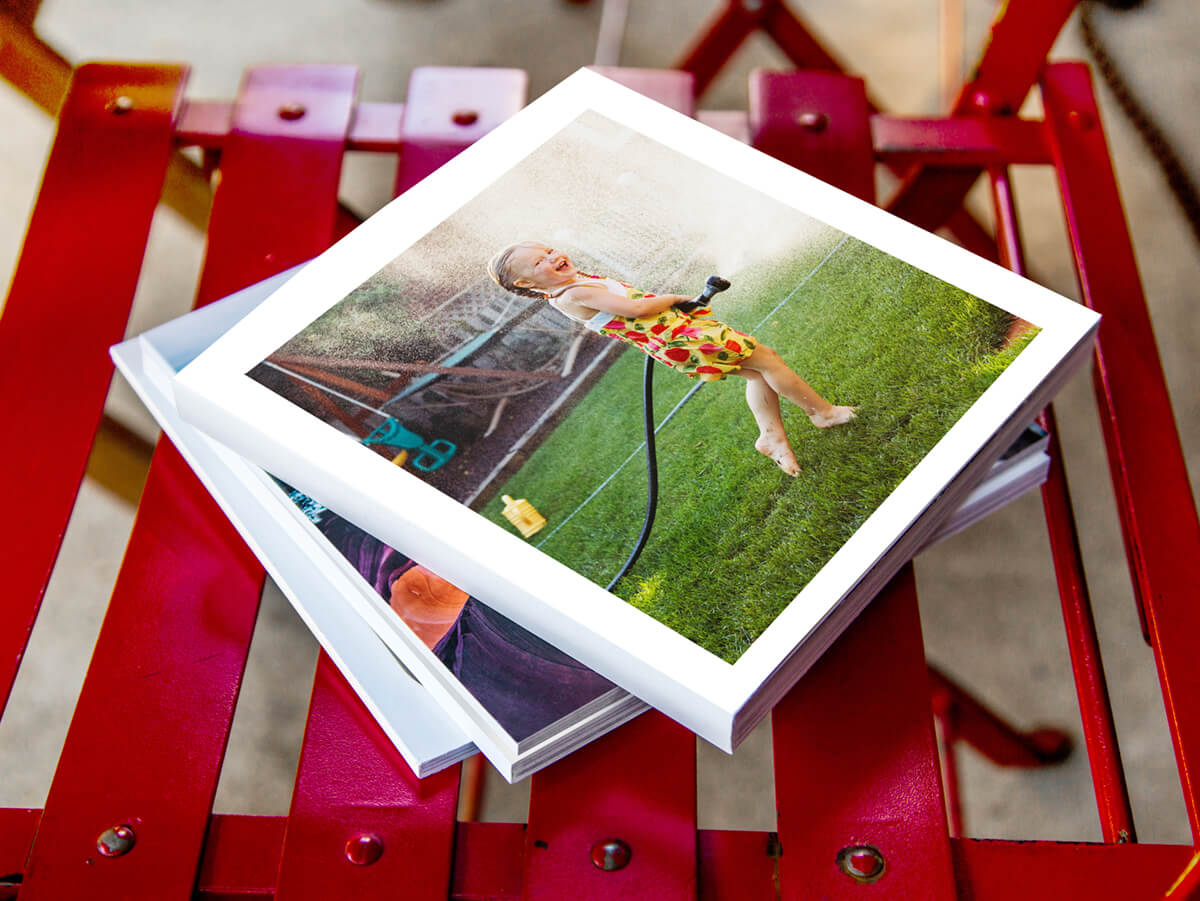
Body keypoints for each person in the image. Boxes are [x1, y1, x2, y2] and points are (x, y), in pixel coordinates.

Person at [487, 242, 856, 476]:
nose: (554, 257)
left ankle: (771, 438)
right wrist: (673, 298)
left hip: (679, 337)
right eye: (540, 262)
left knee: (758, 373)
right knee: (767, 360)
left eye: (549, 250)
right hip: (684, 339)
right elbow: (634, 309)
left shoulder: (573, 283)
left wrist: (676, 309)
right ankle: (822, 413)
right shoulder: (573, 293)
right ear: (526, 284)